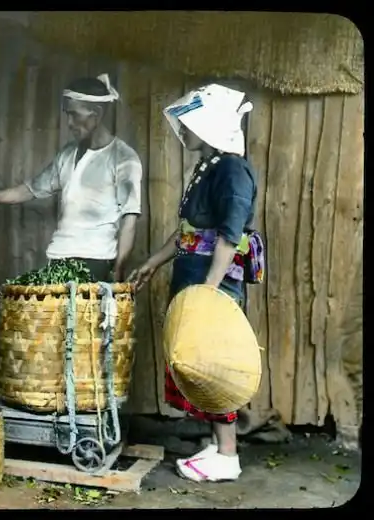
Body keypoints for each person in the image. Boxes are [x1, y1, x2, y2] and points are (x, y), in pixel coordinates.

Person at [128, 83, 260, 482]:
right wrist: (152, 263)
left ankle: (228, 455)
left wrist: (209, 292)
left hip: (213, 282)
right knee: (196, 359)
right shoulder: (209, 167)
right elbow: (188, 230)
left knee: (213, 360)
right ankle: (216, 446)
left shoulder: (233, 170)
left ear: (209, 127)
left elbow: (229, 236)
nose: (182, 130)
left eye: (189, 124)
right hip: (195, 277)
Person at [0, 74, 142, 282]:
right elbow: (30, 189)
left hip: (96, 260)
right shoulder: (67, 154)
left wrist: (119, 270)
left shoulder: (123, 158)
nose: (69, 123)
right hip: (59, 256)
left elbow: (129, 219)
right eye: (67, 115)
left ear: (96, 114)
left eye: (74, 115)